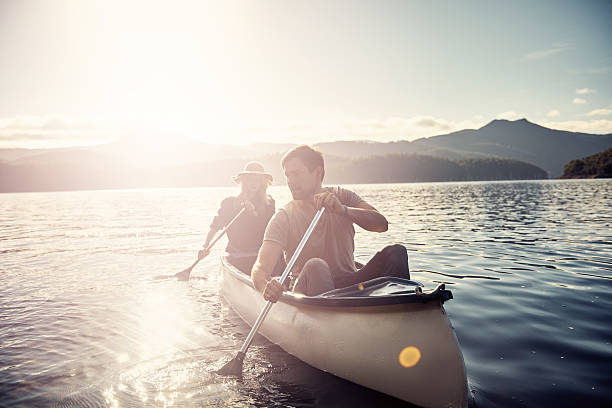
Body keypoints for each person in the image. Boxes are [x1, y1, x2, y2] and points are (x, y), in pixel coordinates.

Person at [251, 145, 410, 302]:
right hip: (306, 290)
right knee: (316, 266)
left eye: (297, 174)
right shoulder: (284, 217)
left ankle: (404, 310)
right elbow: (260, 269)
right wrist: (266, 287)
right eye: (288, 175)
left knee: (396, 253)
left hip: (348, 285)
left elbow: (381, 224)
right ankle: (333, 320)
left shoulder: (343, 196)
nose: (290, 181)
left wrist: (343, 210)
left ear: (318, 172)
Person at [198, 161, 276, 274]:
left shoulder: (269, 203)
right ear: (244, 181)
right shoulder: (229, 203)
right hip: (236, 255)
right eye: (250, 179)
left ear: (262, 183)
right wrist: (205, 245)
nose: (254, 183)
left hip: (260, 255)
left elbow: (271, 229)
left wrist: (253, 212)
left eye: (257, 180)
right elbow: (215, 226)